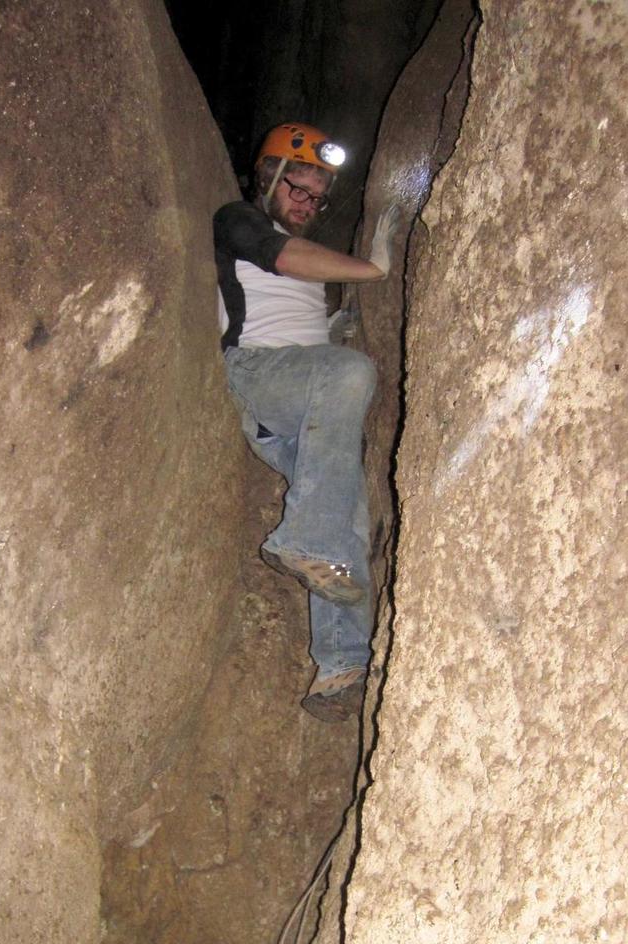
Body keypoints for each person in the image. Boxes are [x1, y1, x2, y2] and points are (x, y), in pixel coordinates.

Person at [213, 122, 400, 721]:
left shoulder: (308, 268)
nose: (308, 201)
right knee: (348, 373)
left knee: (347, 511)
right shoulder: (240, 221)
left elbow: (304, 319)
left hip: (301, 399)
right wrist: (371, 268)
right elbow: (284, 260)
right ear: (268, 176)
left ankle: (340, 664)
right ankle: (301, 539)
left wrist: (339, 323)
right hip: (260, 374)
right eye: (299, 185)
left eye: (318, 196)